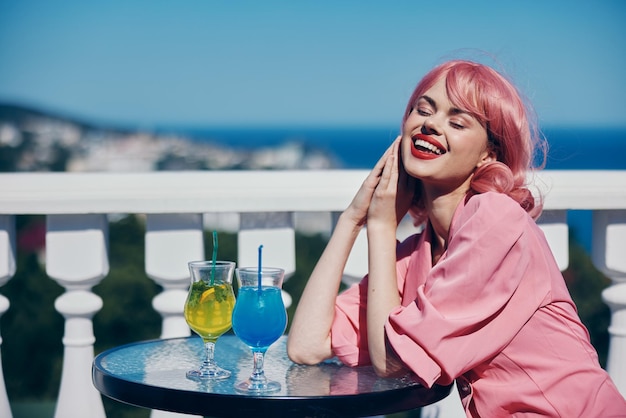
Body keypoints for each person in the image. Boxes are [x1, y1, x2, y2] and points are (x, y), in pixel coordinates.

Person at [287, 59, 626, 417]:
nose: (431, 124)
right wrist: (352, 218)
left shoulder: (495, 221)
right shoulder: (418, 256)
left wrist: (382, 226)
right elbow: (307, 346)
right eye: (423, 110)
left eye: (457, 121)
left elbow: (392, 362)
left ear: (488, 154)